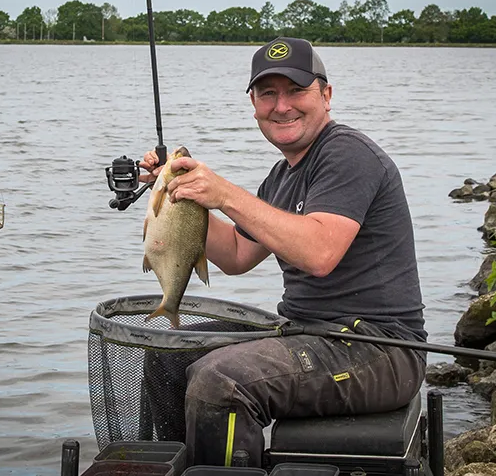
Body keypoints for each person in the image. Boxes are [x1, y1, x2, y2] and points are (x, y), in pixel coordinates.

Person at [138, 37, 427, 468]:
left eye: (296, 90)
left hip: (379, 348)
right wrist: (180, 195)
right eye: (268, 93)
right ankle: (184, 466)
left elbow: (319, 252)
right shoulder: (281, 176)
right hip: (304, 331)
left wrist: (224, 194)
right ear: (254, 104)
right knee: (169, 353)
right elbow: (237, 254)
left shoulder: (348, 154)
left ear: (326, 95)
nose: (282, 105)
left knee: (221, 382)